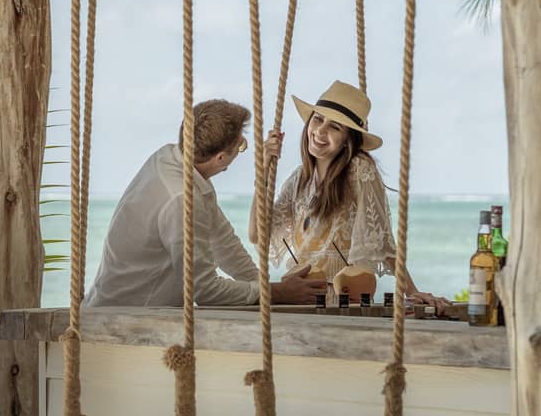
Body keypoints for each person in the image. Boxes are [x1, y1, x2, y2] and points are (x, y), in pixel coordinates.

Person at [85, 99, 326, 308]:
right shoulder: (181, 200)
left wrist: (264, 285)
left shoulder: (172, 158)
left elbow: (223, 243)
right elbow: (204, 290)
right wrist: (276, 293)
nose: (242, 151)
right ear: (221, 158)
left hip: (119, 309)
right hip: (124, 321)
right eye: (241, 146)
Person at [256, 80, 444, 308]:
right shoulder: (298, 179)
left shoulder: (359, 170)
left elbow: (380, 241)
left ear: (348, 140)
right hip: (297, 300)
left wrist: (412, 291)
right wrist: (263, 169)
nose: (320, 131)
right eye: (317, 119)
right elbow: (257, 234)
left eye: (335, 127)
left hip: (339, 302)